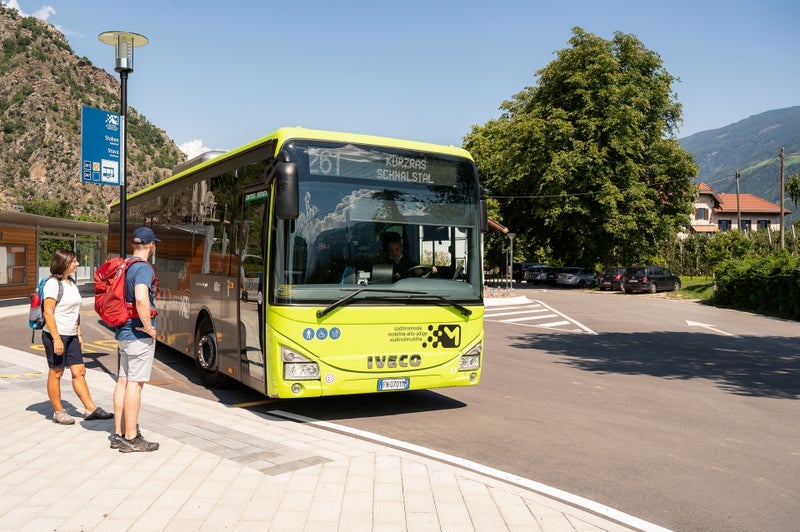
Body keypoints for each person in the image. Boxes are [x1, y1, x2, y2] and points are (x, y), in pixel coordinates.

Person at [42, 249, 113, 425]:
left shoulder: (71, 282)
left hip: (72, 335)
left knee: (79, 371)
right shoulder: (52, 284)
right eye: (74, 261)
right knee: (56, 372)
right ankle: (58, 412)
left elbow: (76, 312)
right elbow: (48, 313)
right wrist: (57, 338)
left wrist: (79, 333)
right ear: (64, 263)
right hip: (55, 335)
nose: (77, 264)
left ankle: (90, 409)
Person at [111, 227, 160, 452]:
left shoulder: (125, 265)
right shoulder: (142, 269)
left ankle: (118, 434)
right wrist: (149, 328)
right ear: (151, 245)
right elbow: (141, 299)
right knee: (135, 384)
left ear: (134, 245)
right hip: (138, 334)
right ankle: (131, 438)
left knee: (123, 380)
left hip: (123, 332)